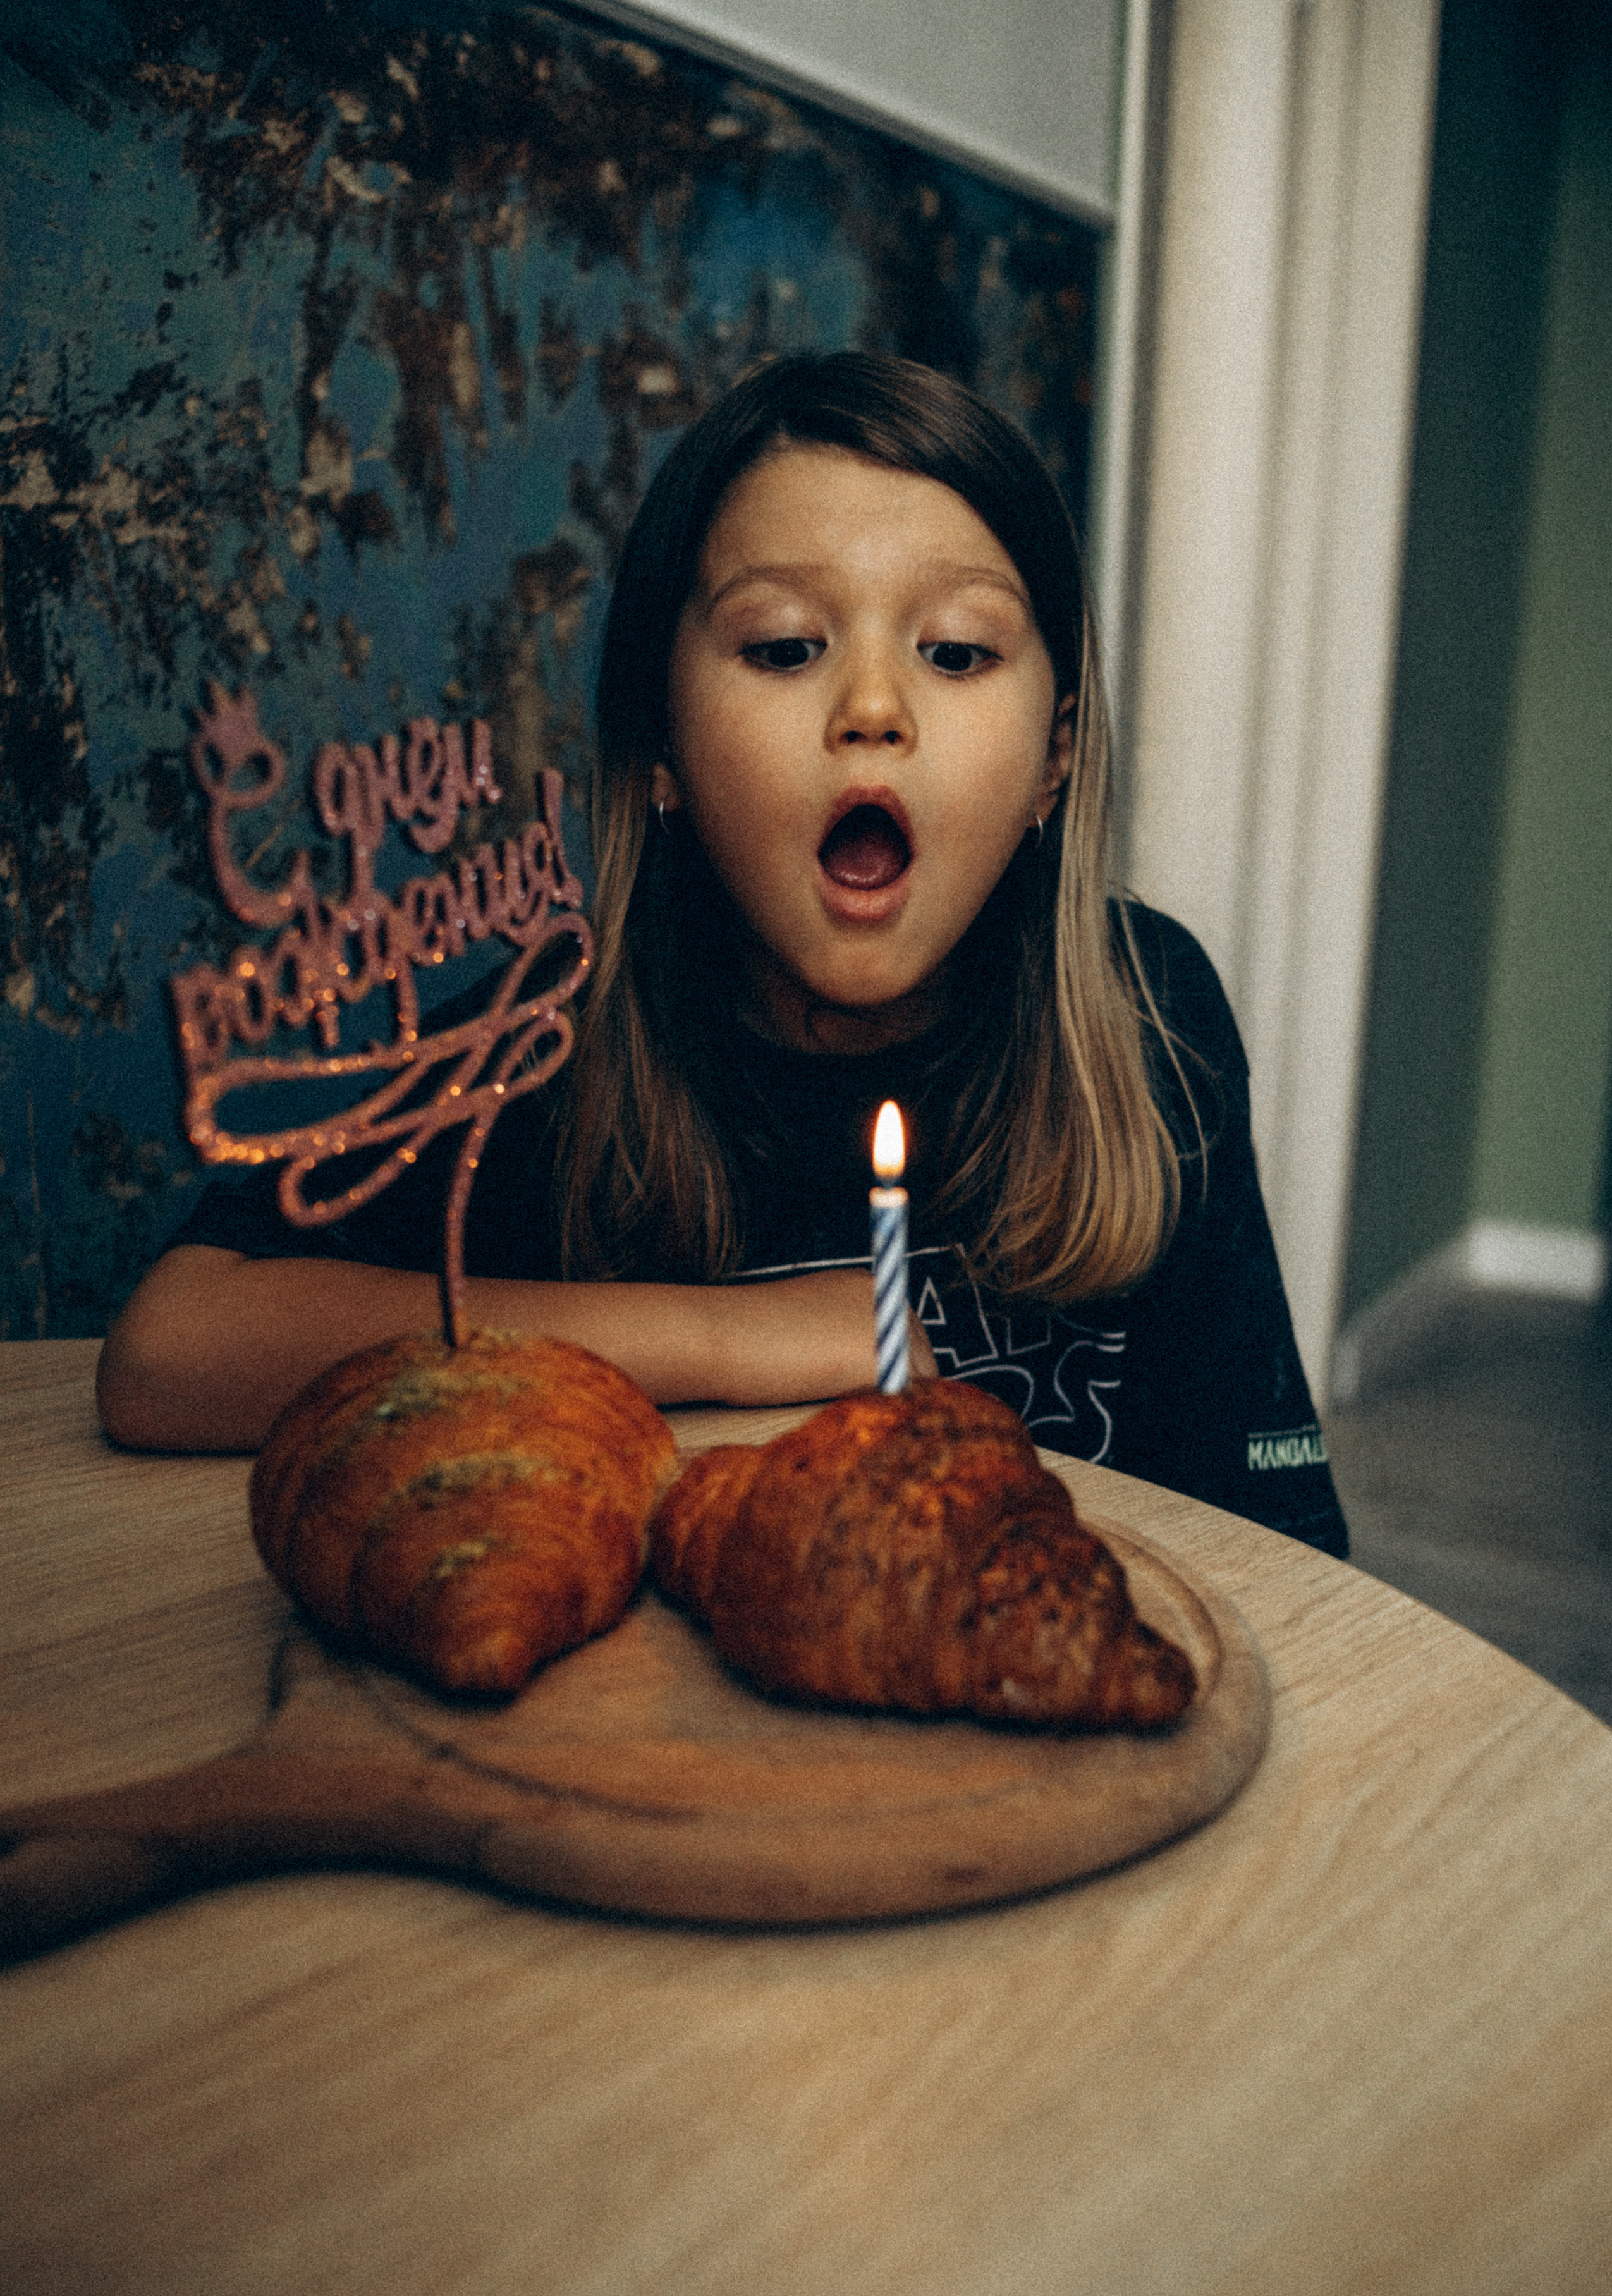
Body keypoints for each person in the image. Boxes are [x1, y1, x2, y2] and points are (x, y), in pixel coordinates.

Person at [97, 352, 1347, 1555]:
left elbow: (1277, 1547)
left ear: (1053, 759)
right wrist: (727, 1338)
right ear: (661, 753)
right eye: (784, 647)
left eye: (956, 653)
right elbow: (165, 1355)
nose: (871, 709)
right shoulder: (564, 1041)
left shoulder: (1147, 1019)